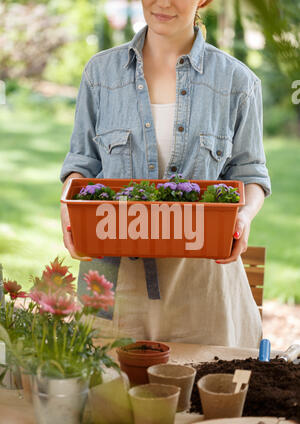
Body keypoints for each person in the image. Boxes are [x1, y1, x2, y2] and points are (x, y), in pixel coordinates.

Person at [60, 0, 271, 347]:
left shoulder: (237, 81)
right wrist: (68, 206)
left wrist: (244, 215)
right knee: (104, 397)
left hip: (202, 284)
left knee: (202, 396)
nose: (162, 2)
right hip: (112, 282)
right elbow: (82, 164)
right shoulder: (100, 74)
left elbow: (250, 173)